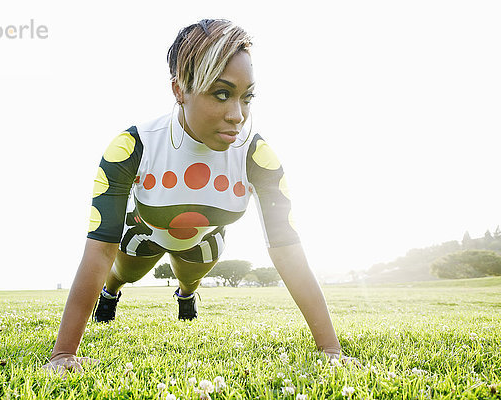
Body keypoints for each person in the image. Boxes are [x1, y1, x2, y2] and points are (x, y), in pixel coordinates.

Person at [43, 18, 352, 374]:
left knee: (192, 272)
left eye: (246, 97)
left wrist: (330, 349)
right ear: (180, 90)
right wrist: (63, 352)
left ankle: (186, 295)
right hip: (142, 232)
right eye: (221, 94)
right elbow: (100, 247)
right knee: (125, 272)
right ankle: (111, 292)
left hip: (203, 240)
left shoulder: (256, 155)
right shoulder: (132, 146)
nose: (237, 115)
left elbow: (288, 251)